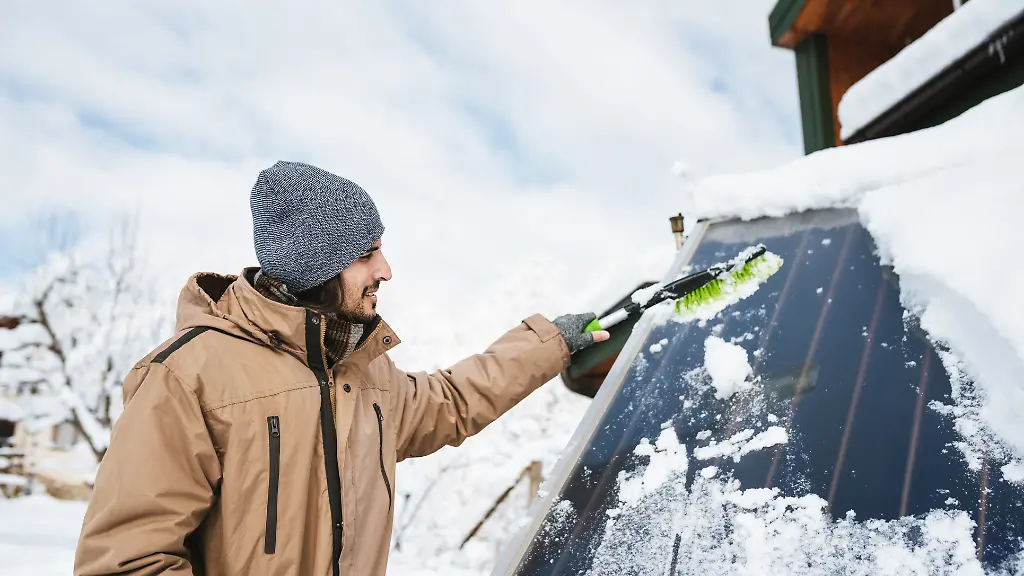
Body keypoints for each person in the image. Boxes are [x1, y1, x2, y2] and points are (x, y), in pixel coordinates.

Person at [74, 161, 610, 576]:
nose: (387, 270)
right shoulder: (188, 376)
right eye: (366, 253)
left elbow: (451, 400)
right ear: (316, 263)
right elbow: (127, 562)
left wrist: (549, 344)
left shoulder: (361, 374)